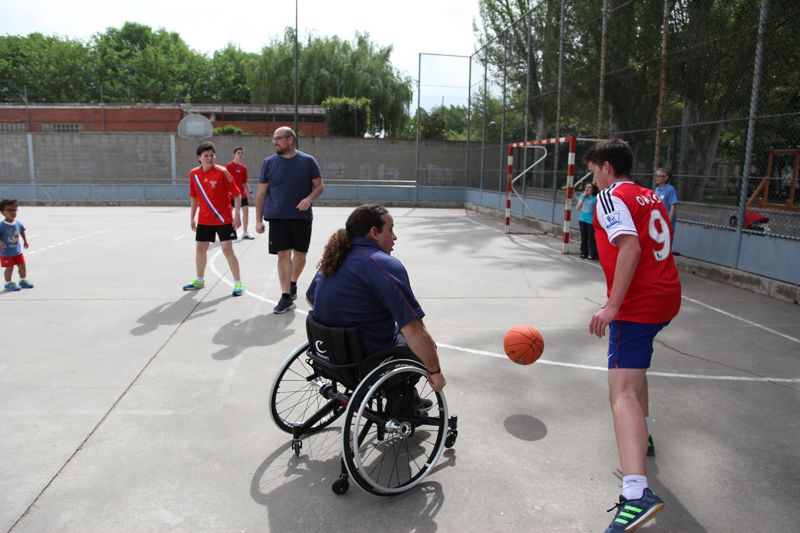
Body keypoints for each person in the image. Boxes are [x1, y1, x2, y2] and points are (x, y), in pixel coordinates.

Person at [583, 140, 681, 532]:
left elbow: (629, 247)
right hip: (666, 296)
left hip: (637, 305)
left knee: (620, 389)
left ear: (607, 168)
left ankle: (636, 493)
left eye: (593, 171)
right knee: (636, 371)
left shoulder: (611, 196)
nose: (593, 179)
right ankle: (645, 433)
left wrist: (612, 305)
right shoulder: (650, 196)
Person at [305, 204, 446, 393]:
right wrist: (435, 371)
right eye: (391, 230)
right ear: (374, 232)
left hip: (328, 353)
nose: (395, 237)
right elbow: (414, 330)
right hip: (364, 360)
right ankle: (403, 402)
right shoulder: (383, 265)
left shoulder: (334, 257)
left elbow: (312, 299)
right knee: (422, 346)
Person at [255, 126, 324, 314]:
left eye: (278, 138)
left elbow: (319, 186)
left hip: (301, 217)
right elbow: (261, 193)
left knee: (300, 256)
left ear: (291, 139)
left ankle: (292, 282)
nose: (274, 142)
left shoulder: (308, 161)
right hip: (277, 217)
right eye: (273, 138)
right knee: (283, 255)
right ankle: (286, 296)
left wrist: (309, 199)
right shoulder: (268, 163)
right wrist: (258, 220)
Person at [183, 141, 245, 297]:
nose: (210, 158)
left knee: (227, 249)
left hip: (223, 218)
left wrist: (237, 215)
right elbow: (194, 198)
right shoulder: (194, 174)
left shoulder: (223, 172)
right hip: (204, 219)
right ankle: (199, 279)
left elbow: (236, 194)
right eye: (206, 155)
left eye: (212, 155)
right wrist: (192, 217)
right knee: (200, 248)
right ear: (199, 158)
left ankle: (238, 282)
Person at [1, 199, 33, 292]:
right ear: (3, 212)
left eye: (14, 210)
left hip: (17, 251)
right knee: (9, 268)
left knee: (22, 266)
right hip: (6, 253)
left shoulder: (17, 223)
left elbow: (22, 231)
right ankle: (8, 284)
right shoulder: (2, 225)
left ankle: (22, 281)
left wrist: (25, 241)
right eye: (9, 210)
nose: (13, 212)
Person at [226, 146, 254, 240]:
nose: (240, 155)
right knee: (230, 213)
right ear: (234, 154)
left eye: (241, 153)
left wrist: (250, 192)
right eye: (238, 153)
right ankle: (230, 231)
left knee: (246, 211)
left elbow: (244, 182)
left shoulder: (243, 168)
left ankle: (245, 232)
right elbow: (225, 181)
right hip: (232, 194)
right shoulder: (229, 166)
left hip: (242, 194)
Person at [575, 182, 599, 260]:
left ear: (593, 189)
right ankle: (583, 253)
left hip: (591, 221)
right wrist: (583, 198)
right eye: (586, 187)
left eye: (589, 187)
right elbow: (577, 207)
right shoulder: (582, 196)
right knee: (583, 237)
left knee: (591, 238)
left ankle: (592, 254)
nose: (587, 189)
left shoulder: (596, 198)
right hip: (582, 220)